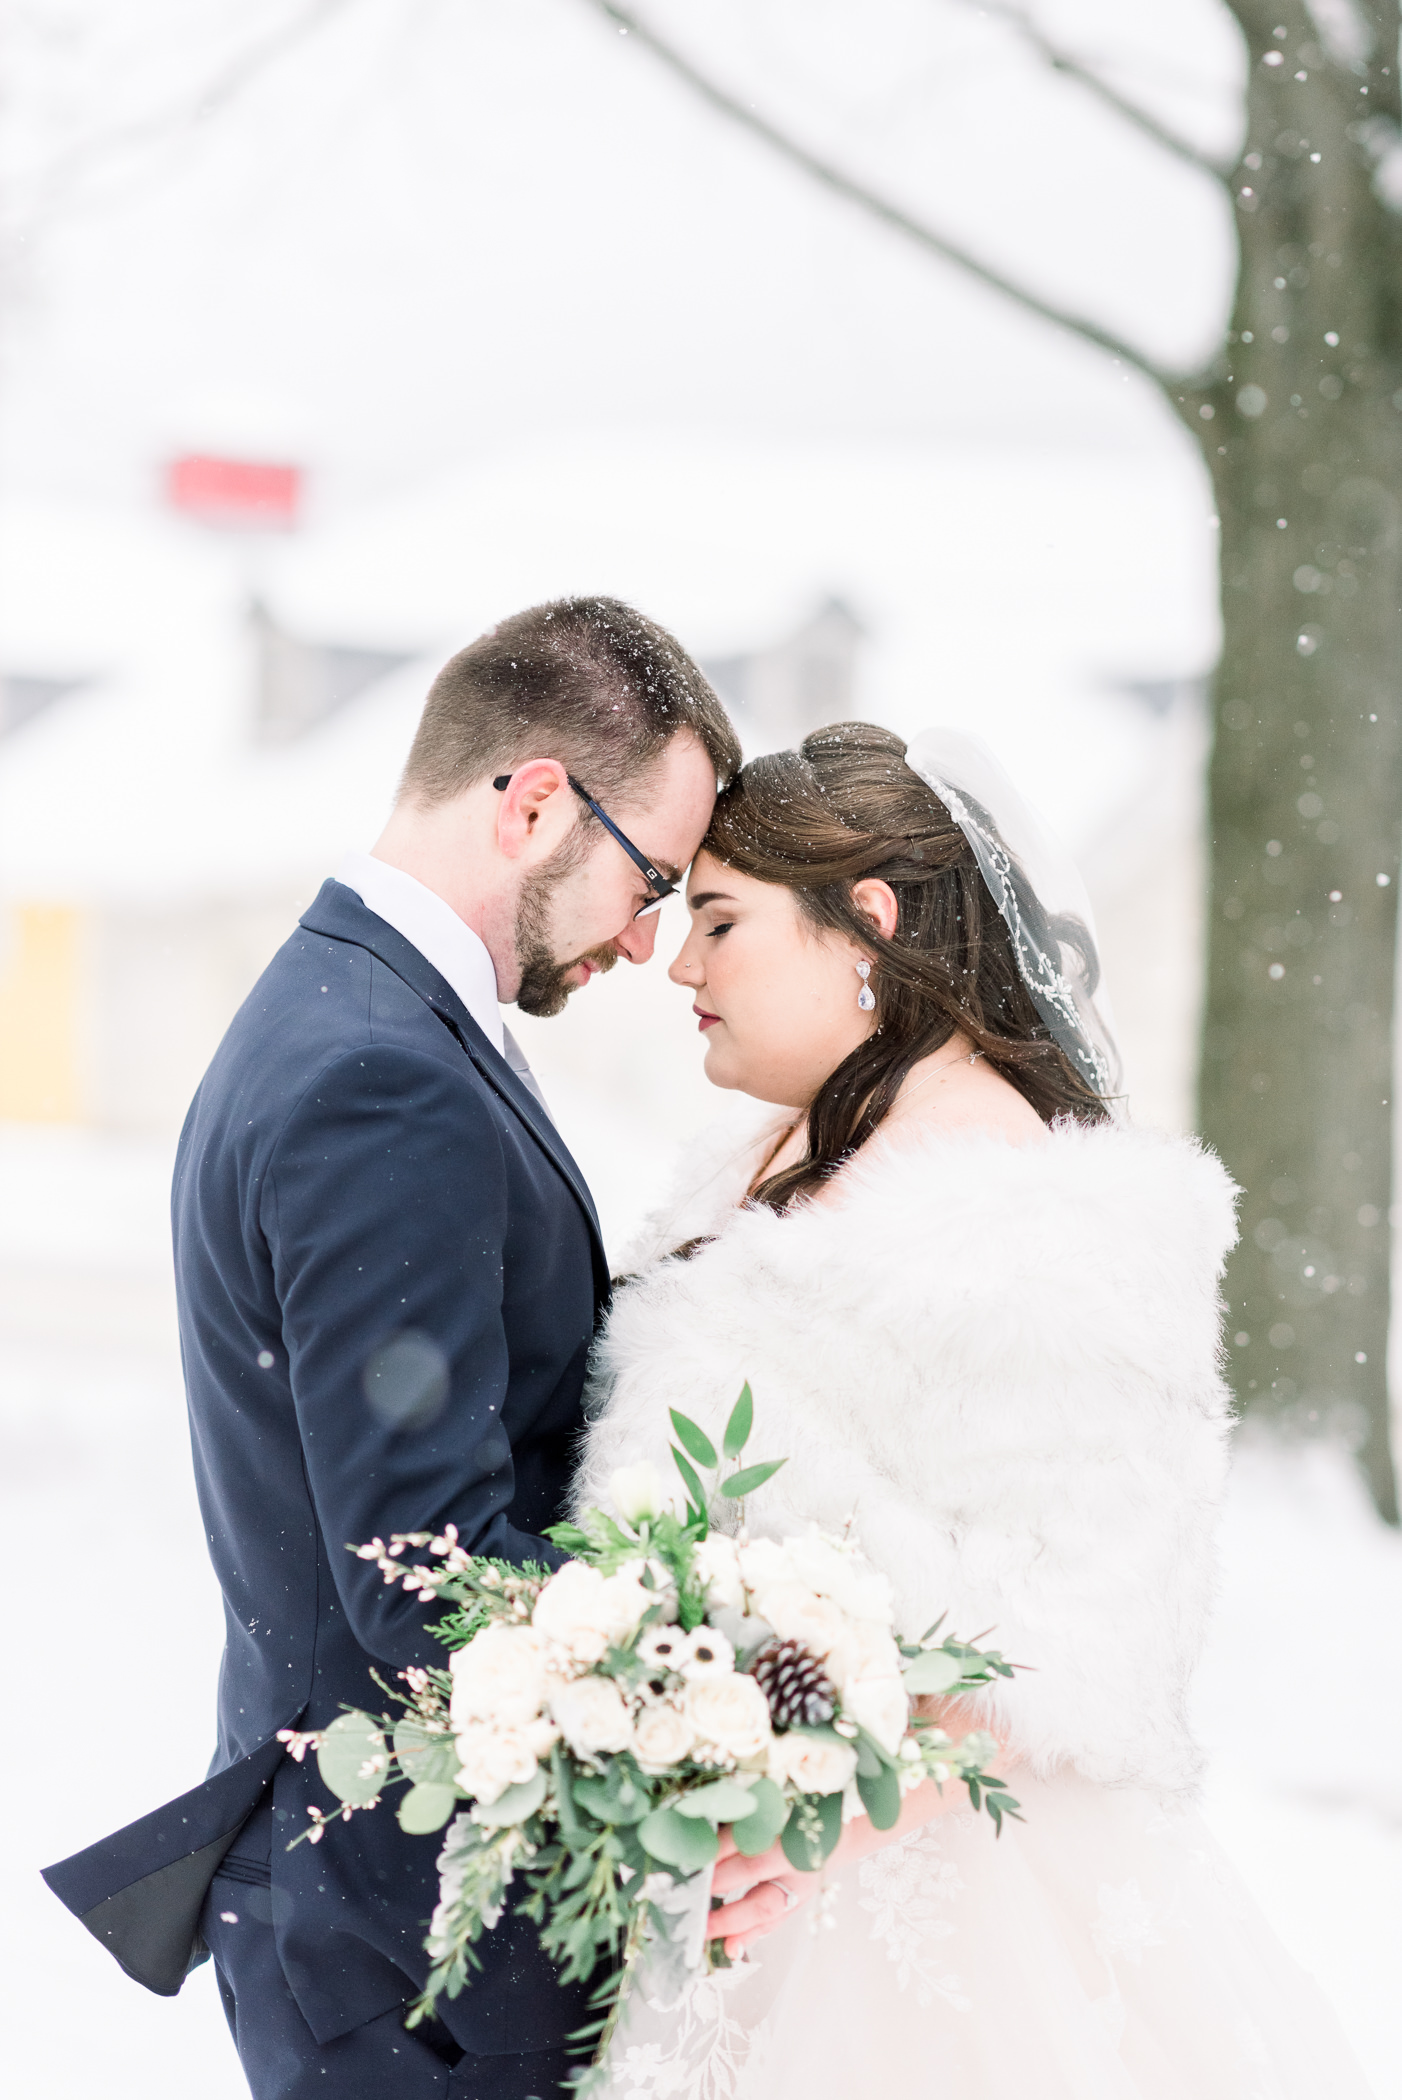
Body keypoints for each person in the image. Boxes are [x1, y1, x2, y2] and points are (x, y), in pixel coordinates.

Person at [575, 719, 1377, 2099]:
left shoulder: (1040, 1219)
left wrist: (817, 1816)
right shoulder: (781, 1150)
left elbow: (1091, 1621)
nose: (680, 965)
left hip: (942, 1918)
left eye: (717, 921)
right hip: (726, 1891)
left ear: (864, 927)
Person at [41, 597, 741, 2100]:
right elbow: (428, 1570)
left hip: (372, 1902)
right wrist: (737, 1681)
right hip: (407, 1939)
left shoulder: (365, 1011)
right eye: (653, 880)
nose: (648, 938)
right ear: (537, 800)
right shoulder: (378, 1071)